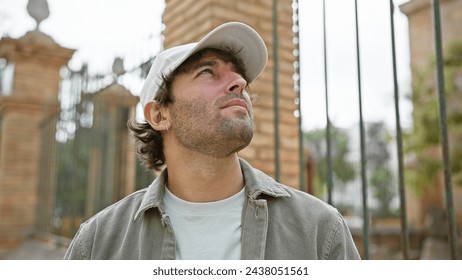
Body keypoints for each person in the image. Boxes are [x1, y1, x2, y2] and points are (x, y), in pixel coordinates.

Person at [64, 22, 360, 260]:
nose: (240, 83)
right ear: (159, 115)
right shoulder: (97, 245)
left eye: (239, 75)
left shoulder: (320, 230)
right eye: (208, 71)